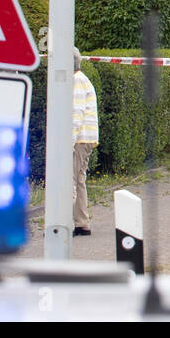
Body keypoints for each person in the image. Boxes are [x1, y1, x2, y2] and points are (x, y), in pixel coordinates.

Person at [73, 48, 99, 237]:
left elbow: (76, 112)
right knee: (79, 179)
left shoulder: (75, 81)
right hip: (87, 138)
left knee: (68, 180)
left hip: (79, 139)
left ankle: (62, 223)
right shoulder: (82, 78)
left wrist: (68, 141)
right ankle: (81, 222)